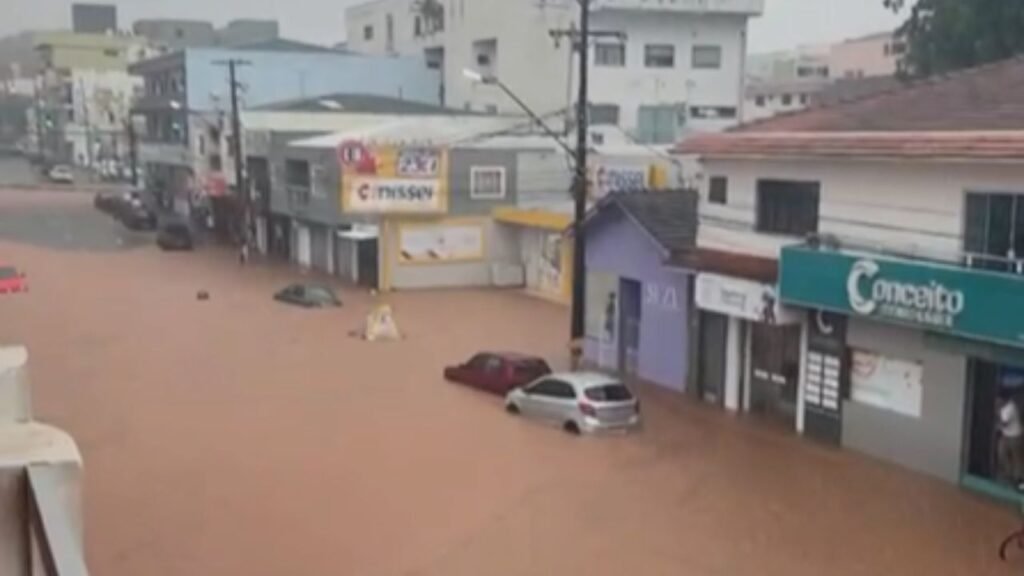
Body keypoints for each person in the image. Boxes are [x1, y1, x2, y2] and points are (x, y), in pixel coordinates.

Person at [997, 396, 1024, 485]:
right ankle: (1009, 474)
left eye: (998, 400)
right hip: (1006, 435)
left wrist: (997, 426)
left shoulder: (1010, 408)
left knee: (1017, 458)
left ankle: (1018, 479)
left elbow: (1004, 423)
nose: (996, 402)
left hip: (1015, 436)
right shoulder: (1002, 407)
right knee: (1002, 453)